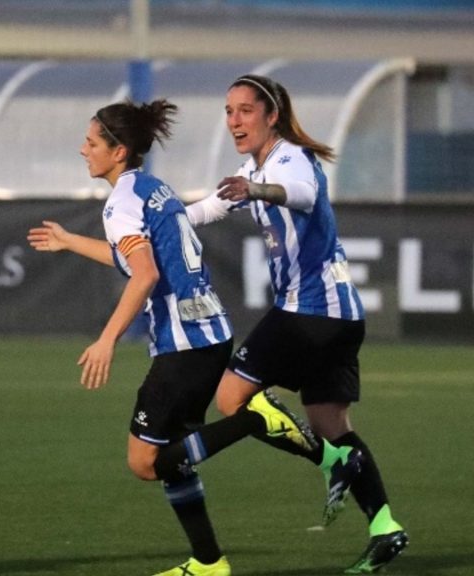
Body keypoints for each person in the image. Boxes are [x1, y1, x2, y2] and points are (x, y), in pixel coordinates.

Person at [27, 99, 320, 576]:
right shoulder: (151, 189)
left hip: (184, 345)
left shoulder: (121, 202)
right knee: (175, 457)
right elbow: (137, 258)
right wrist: (68, 240)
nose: (83, 149)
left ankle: (256, 421)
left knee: (145, 461)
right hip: (209, 334)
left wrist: (106, 340)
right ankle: (208, 562)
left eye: (91, 142)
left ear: (118, 151)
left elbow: (142, 276)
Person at [182, 74, 408, 574]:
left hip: (311, 312)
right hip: (341, 317)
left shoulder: (289, 159)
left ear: (271, 116)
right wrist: (162, 218)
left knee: (232, 399)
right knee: (332, 425)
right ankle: (385, 526)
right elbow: (210, 208)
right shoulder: (253, 167)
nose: (234, 121)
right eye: (228, 111)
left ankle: (332, 462)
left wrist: (258, 188)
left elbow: (302, 194)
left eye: (244, 110)